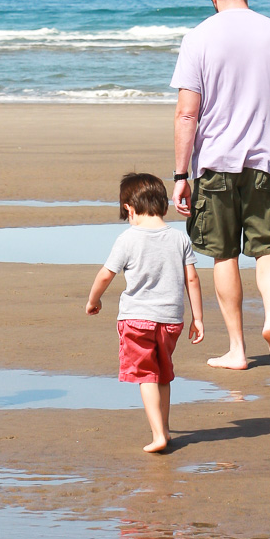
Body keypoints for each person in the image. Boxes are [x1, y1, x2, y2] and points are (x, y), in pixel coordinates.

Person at [171, 0, 270, 372]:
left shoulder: (198, 38)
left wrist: (181, 175)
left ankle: (237, 349)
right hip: (268, 163)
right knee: (269, 247)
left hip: (215, 163)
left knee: (223, 253)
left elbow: (186, 114)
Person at [85, 172, 204, 454]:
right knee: (163, 374)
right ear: (163, 204)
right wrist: (198, 318)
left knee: (146, 375)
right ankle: (164, 426)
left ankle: (158, 434)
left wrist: (94, 299)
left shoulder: (127, 239)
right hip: (171, 321)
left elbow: (105, 275)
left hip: (136, 320)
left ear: (129, 207)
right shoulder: (179, 239)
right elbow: (193, 280)